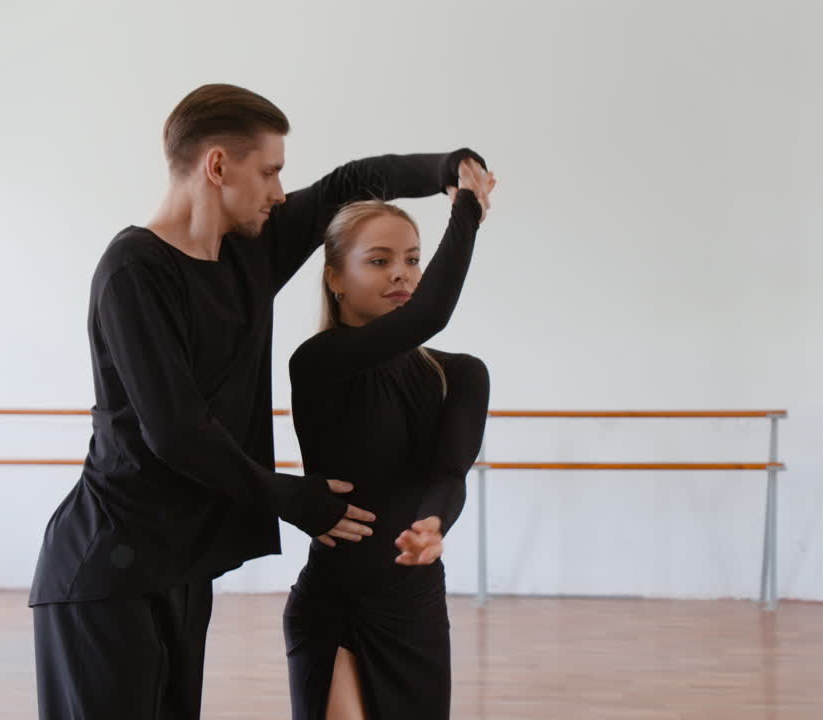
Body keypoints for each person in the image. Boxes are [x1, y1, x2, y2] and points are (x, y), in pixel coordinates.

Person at [27, 81, 487, 719]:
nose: (278, 191)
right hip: (109, 566)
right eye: (269, 171)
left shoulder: (251, 254)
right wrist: (296, 499)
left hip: (183, 566)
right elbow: (177, 431)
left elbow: (350, 181)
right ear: (218, 166)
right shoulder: (135, 270)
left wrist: (447, 171)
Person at [283, 157, 495, 719]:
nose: (402, 274)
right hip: (334, 601)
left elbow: (448, 476)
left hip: (413, 608)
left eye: (411, 260)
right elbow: (430, 315)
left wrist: (432, 525)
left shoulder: (461, 374)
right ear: (335, 277)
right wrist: (467, 210)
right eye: (379, 261)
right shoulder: (318, 363)